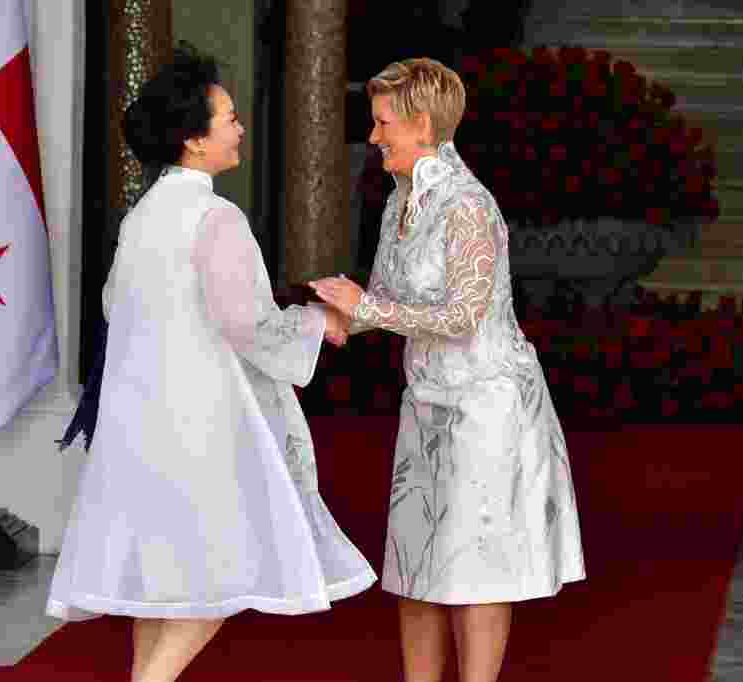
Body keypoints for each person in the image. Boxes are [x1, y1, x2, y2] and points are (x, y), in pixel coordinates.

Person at [47, 45, 376, 682]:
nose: (239, 126)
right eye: (227, 117)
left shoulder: (143, 216)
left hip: (140, 425)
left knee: (166, 584)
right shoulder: (214, 215)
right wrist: (323, 324)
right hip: (200, 429)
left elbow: (118, 306)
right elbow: (246, 323)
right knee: (222, 575)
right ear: (194, 141)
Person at [310, 58, 585, 682]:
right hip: (426, 404)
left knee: (475, 575)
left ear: (423, 125)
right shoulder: (400, 200)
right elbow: (381, 303)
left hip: (487, 409)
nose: (374, 137)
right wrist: (310, 325)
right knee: (413, 573)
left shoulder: (468, 205)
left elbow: (463, 314)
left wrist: (366, 306)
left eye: (383, 124)